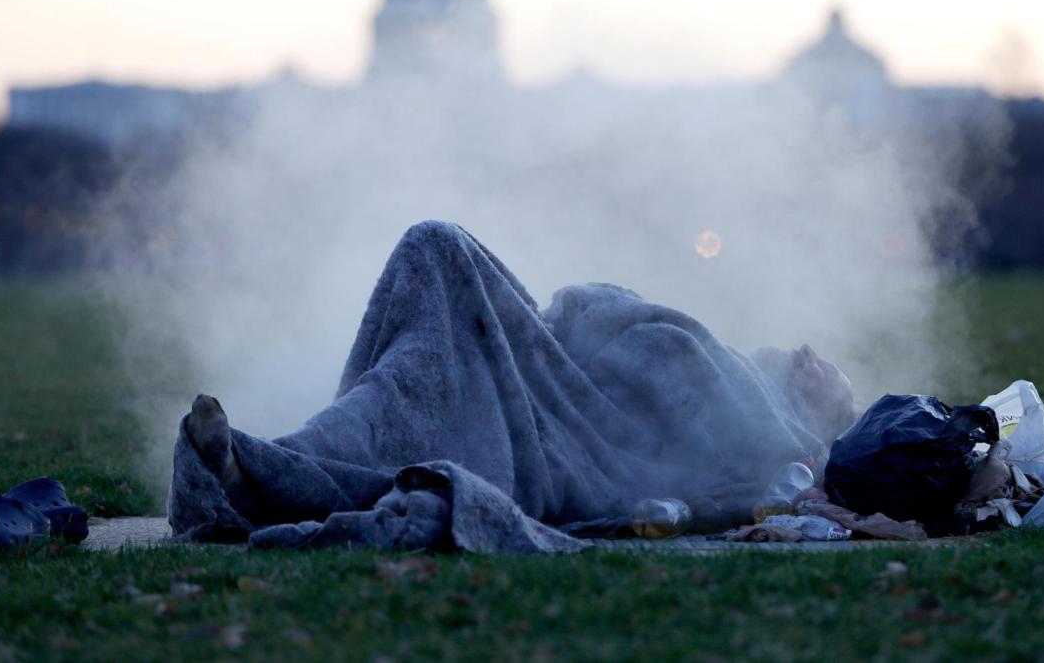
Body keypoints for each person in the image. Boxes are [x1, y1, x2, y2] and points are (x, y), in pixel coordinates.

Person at [174, 221, 856, 541]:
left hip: (562, 429)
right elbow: (594, 312)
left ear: (813, 415)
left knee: (415, 387)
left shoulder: (771, 429)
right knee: (421, 306)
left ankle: (260, 474)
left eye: (828, 376)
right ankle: (266, 465)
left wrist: (805, 446)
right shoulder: (734, 366)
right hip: (542, 362)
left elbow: (764, 459)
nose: (809, 354)